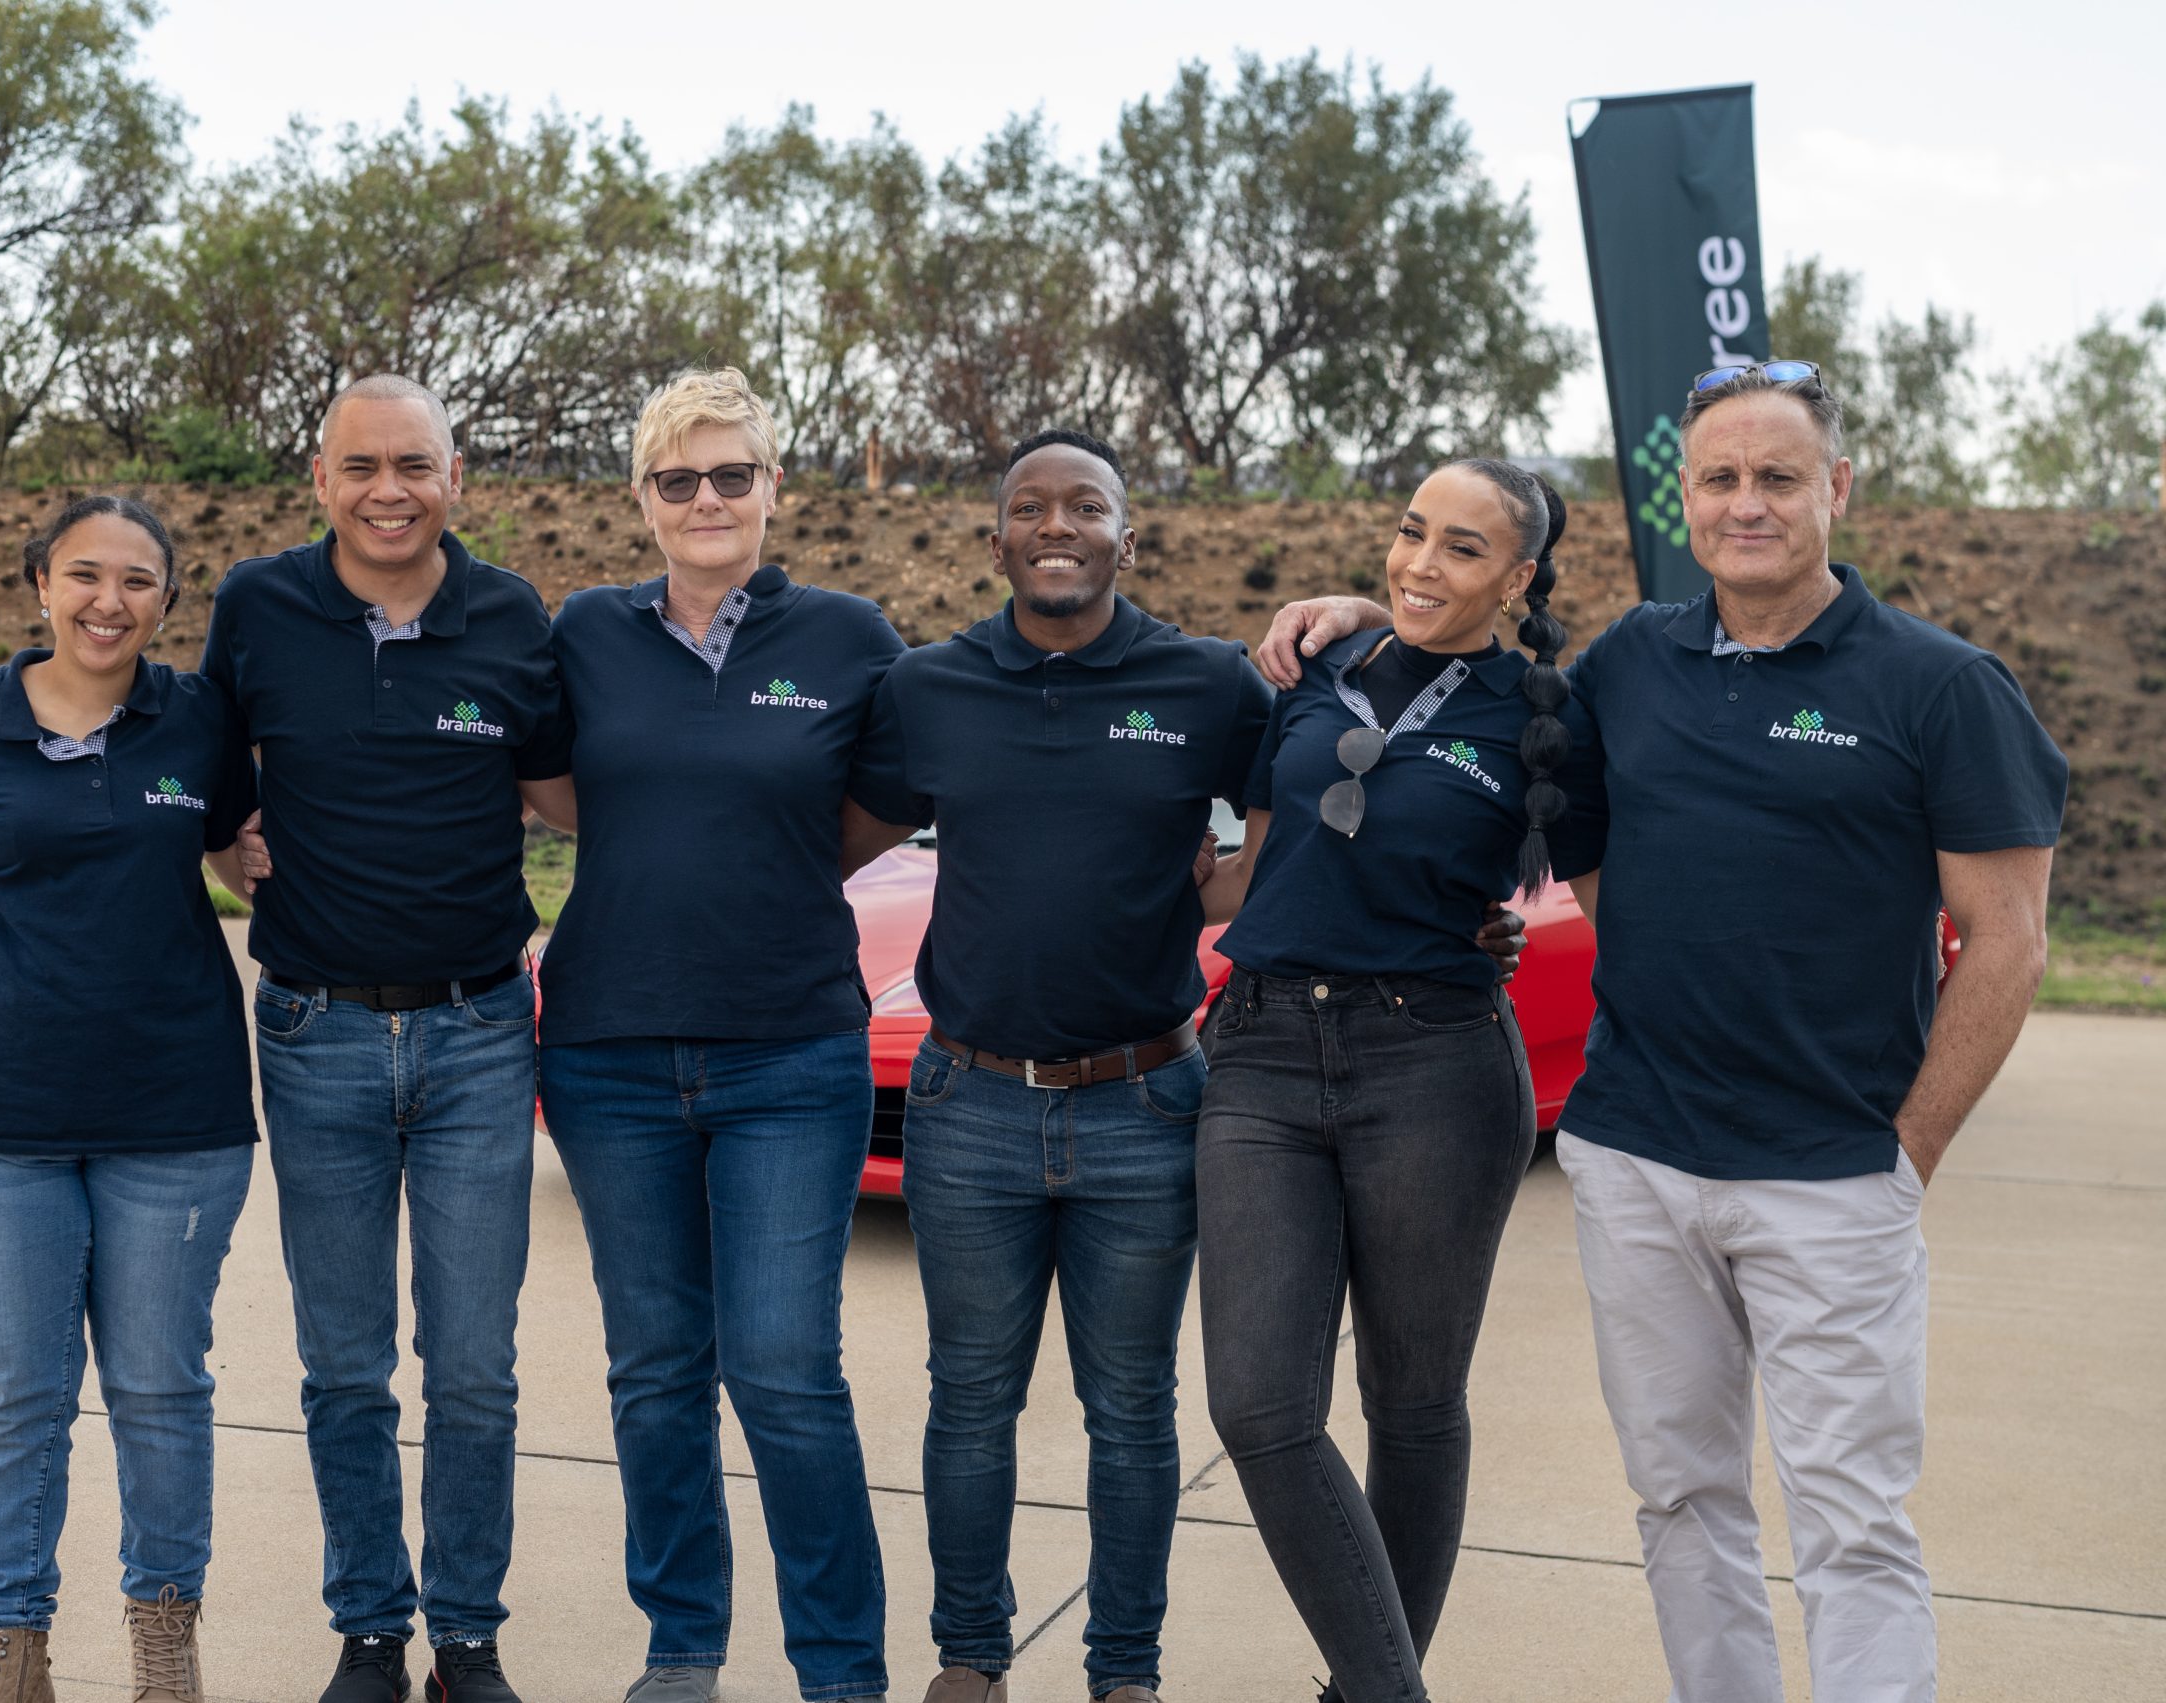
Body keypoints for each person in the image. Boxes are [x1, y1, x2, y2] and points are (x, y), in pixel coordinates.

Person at [1257, 364, 2067, 1703]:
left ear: (1837, 489)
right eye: (1720, 478)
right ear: (1681, 495)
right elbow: (1488, 719)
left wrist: (1905, 1150)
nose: (1747, 502)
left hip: (1833, 1173)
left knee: (1852, 1519)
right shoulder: (1630, 663)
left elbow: (2012, 935)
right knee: (1683, 1500)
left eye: (1778, 477)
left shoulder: (1940, 686)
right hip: (1637, 1160)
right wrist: (1361, 616)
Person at [837, 429, 1271, 1703]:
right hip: (969, 1104)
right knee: (968, 1399)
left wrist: (1233, 878)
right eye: (1030, 507)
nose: (1057, 524)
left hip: (1146, 1099)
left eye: (1086, 504)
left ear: (1126, 537)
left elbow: (1298, 802)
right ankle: (970, 1656)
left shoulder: (1210, 685)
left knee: (1131, 1409)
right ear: (997, 541)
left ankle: (1121, 1670)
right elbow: (831, 838)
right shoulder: (930, 685)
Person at [0, 493, 260, 1703]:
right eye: (83, 574)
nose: (108, 601)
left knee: (160, 1389)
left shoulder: (194, 720)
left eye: (137, 581)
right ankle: (7, 1652)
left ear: (166, 602)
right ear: (38, 585)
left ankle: (164, 1643)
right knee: (16, 1396)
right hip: (3, 1122)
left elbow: (238, 834)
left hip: (176, 1114)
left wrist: (250, 855)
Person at [535, 367, 906, 1703]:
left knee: (786, 1366)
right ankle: (682, 1644)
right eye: (677, 478)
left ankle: (840, 1667)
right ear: (642, 497)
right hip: (607, 1052)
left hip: (789, 1053)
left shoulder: (854, 637)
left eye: (731, 473)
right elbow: (552, 783)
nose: (706, 499)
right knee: (655, 1370)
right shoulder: (584, 631)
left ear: (773, 486)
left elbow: (881, 807)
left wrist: (768, 847)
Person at [201, 375, 574, 1703]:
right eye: (361, 466)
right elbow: (201, 761)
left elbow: (569, 786)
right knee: (344, 1361)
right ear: (321, 478)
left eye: (413, 463)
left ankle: (466, 1631)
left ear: (454, 474)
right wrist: (217, 835)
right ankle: (371, 1622)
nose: (388, 489)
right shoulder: (258, 606)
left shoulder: (514, 617)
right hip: (314, 1032)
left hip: (481, 1030)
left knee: (474, 1362)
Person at [1185, 460, 1581, 1703]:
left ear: (1517, 578)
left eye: (1464, 550)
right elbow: (1249, 868)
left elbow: (1609, 874)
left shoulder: (1546, 717)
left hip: (1435, 1059)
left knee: (1411, 1404)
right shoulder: (1314, 676)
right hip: (1255, 1050)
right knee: (1258, 1408)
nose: (1421, 563)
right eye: (1412, 532)